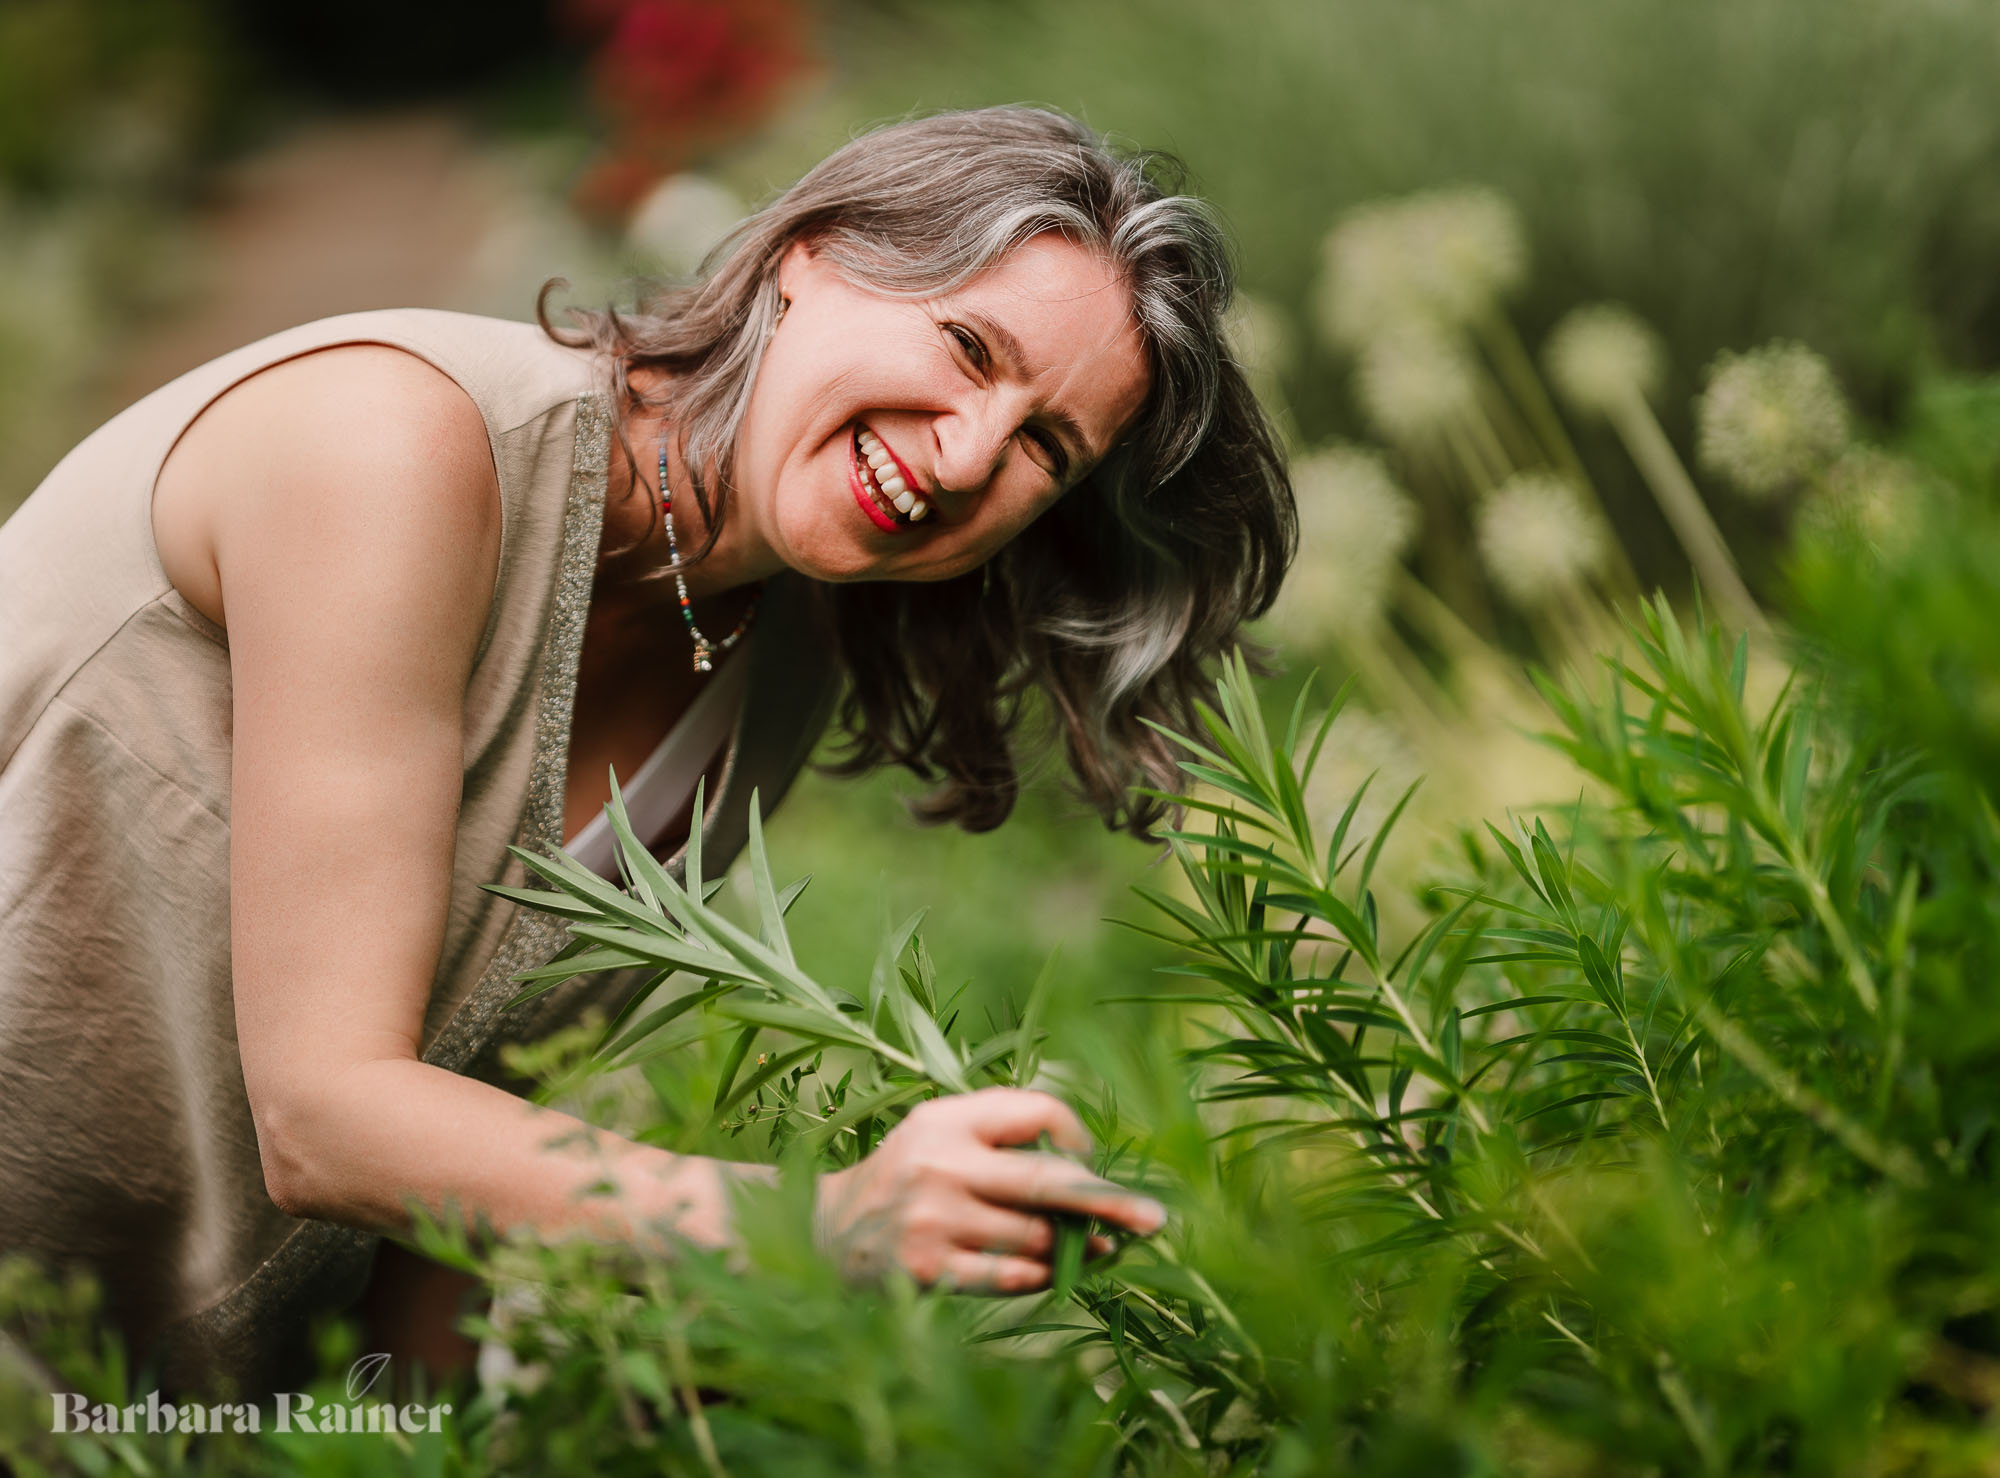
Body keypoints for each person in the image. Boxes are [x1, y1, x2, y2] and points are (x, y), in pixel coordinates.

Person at [0, 105, 1293, 1399]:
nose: (965, 454)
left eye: (1041, 449)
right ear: (818, 255)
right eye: (966, 346)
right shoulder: (389, 445)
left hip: (125, 1400)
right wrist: (821, 1222)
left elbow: (462, 1155)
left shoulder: (772, 664)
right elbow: (331, 1116)